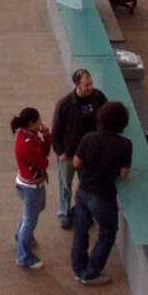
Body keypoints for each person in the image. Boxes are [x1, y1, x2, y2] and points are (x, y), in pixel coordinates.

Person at [71, 99, 132, 286]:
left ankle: (78, 268)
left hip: (83, 191)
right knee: (107, 232)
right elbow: (123, 174)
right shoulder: (125, 144)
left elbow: (76, 163)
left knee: (81, 230)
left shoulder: (89, 138)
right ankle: (91, 272)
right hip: (103, 197)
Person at [50, 68, 108, 230]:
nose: (90, 87)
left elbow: (107, 116)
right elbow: (57, 130)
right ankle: (64, 213)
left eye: (91, 84)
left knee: (87, 184)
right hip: (69, 152)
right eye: (86, 85)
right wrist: (60, 151)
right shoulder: (65, 104)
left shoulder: (98, 98)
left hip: (90, 153)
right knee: (65, 185)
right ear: (77, 85)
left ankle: (84, 212)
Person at [11, 106, 51, 270]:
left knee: (36, 210)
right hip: (31, 187)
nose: (41, 123)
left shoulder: (29, 136)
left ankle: (20, 236)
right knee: (30, 220)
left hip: (33, 184)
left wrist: (46, 135)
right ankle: (23, 255)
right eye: (38, 121)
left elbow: (45, 152)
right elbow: (43, 162)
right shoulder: (27, 143)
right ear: (31, 123)